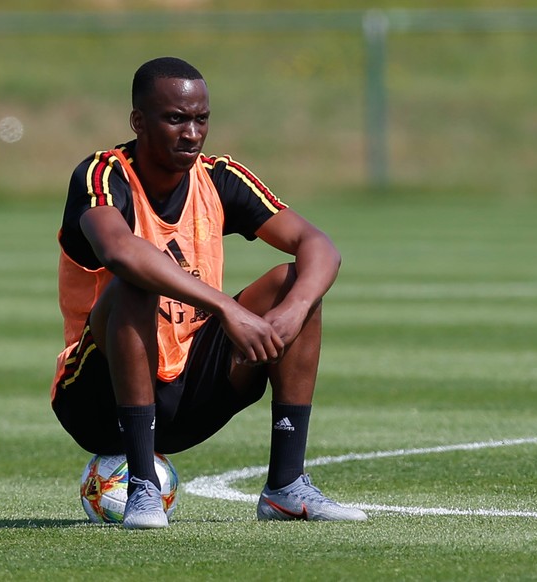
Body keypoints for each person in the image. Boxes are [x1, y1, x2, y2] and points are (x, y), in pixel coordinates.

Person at [50, 56, 367, 529]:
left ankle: (286, 486)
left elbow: (318, 245)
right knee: (137, 280)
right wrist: (224, 307)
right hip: (98, 399)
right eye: (175, 119)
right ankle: (141, 487)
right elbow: (119, 251)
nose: (192, 133)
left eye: (201, 119)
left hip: (189, 396)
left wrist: (294, 311)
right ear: (138, 122)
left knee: (291, 283)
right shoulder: (101, 175)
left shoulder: (220, 176)